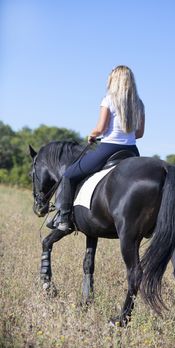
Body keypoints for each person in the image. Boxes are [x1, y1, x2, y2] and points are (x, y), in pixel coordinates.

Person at [49, 65, 145, 232]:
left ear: (114, 81)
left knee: (69, 175)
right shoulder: (139, 103)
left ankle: (64, 218)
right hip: (132, 151)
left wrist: (92, 135)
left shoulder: (108, 99)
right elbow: (140, 133)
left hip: (108, 148)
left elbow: (100, 128)